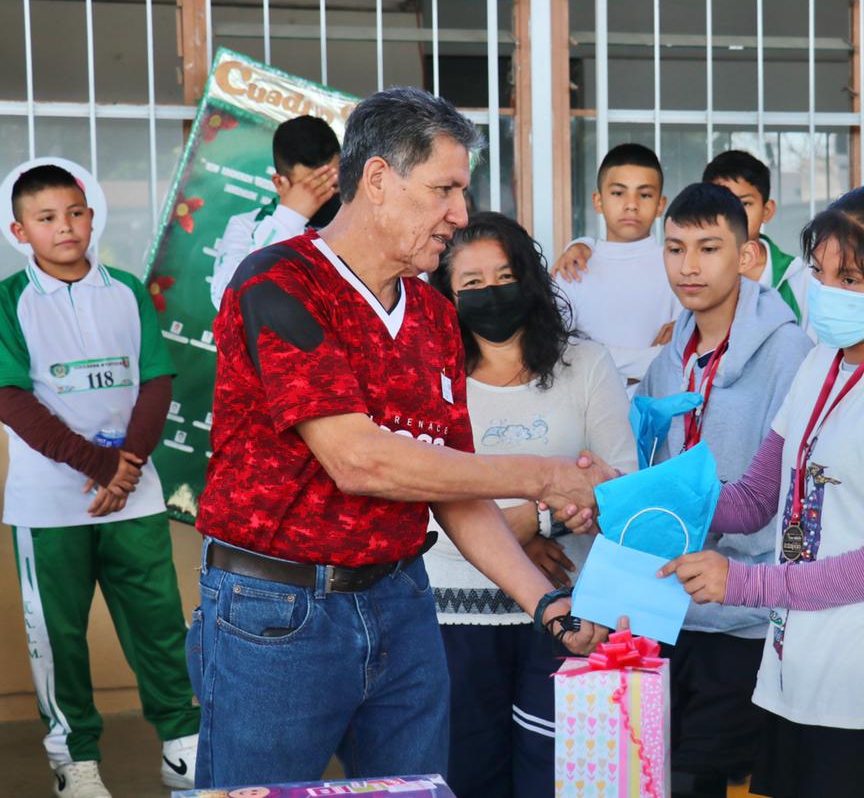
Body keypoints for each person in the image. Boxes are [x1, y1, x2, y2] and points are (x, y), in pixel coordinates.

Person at [189, 87, 618, 789]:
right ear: (380, 178)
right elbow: (359, 460)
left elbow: (448, 480)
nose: (461, 213)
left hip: (404, 605)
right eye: (445, 188)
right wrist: (545, 477)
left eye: (464, 191)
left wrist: (543, 600)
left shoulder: (431, 313)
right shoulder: (280, 283)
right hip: (277, 616)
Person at [658, 183, 864, 798]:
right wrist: (632, 499)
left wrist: (745, 584)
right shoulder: (822, 361)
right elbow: (754, 498)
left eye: (852, 278)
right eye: (821, 273)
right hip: (792, 670)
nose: (828, 292)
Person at [0, 163, 199, 798]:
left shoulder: (129, 291)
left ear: (91, 215)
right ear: (20, 230)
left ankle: (182, 744)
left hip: (133, 497)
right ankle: (73, 760)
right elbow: (11, 399)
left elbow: (156, 380)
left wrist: (127, 465)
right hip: (50, 505)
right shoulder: (8, 300)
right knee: (58, 638)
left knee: (159, 623)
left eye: (75, 213)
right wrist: (101, 466)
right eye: (47, 218)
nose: (65, 227)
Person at [424, 212, 638, 798]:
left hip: (569, 616)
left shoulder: (585, 365)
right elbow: (418, 512)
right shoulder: (428, 376)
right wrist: (537, 516)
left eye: (504, 275)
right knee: (467, 778)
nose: (491, 293)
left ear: (531, 279)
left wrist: (531, 519)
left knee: (558, 779)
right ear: (445, 295)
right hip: (453, 624)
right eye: (471, 283)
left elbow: (620, 487)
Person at [636, 183, 812, 798]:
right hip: (668, 607)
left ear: (746, 255)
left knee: (702, 778)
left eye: (709, 248)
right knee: (668, 775)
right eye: (676, 248)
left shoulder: (790, 352)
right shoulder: (670, 357)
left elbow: (791, 489)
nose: (689, 266)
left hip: (745, 613)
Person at [553, 150, 807, 327]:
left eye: (744, 203)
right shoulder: (683, 269)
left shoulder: (799, 279)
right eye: (618, 193)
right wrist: (583, 244)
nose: (631, 205)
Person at [551, 143, 681, 388]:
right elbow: (557, 351)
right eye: (618, 193)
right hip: (588, 414)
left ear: (660, 205)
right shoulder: (573, 268)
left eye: (644, 194)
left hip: (662, 410)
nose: (631, 204)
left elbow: (684, 356)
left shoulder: (677, 265)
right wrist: (647, 362)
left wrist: (590, 353)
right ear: (598, 201)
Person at [209, 114, 341, 309]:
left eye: (334, 184)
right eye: (310, 189)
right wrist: (289, 219)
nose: (325, 195)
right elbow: (225, 301)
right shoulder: (246, 225)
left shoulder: (361, 221)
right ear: (279, 183)